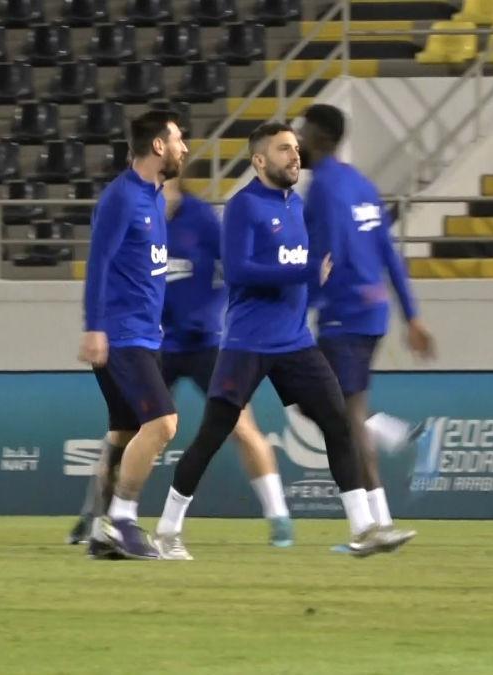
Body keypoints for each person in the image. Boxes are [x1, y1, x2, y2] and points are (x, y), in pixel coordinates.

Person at [153, 122, 415, 559]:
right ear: (259, 160)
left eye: (295, 148)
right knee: (213, 436)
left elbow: (305, 274)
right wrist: (304, 273)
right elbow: (239, 272)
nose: (295, 156)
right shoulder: (243, 207)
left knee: (337, 423)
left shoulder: (297, 206)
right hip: (247, 344)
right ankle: (166, 530)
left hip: (295, 342)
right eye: (283, 150)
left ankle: (364, 528)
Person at [68, 176, 294, 550]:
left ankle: (279, 517)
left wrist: (211, 312)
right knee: (124, 432)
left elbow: (235, 268)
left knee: (240, 423)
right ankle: (95, 516)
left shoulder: (202, 218)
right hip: (154, 342)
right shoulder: (138, 212)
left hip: (204, 343)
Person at [299, 104, 435, 548]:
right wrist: (410, 315)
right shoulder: (362, 185)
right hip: (372, 313)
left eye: (302, 132)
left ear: (319, 138)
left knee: (338, 417)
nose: (296, 140)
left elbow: (327, 248)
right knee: (326, 407)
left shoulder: (322, 188)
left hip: (343, 313)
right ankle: (380, 516)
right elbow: (389, 254)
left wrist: (304, 305)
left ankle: (374, 525)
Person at [80, 111, 187, 560]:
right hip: (122, 337)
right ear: (158, 146)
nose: (184, 148)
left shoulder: (155, 198)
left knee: (124, 436)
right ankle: (122, 520)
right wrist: (94, 327)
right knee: (163, 424)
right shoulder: (122, 197)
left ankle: (99, 531)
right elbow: (98, 263)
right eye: (179, 139)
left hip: (145, 335)